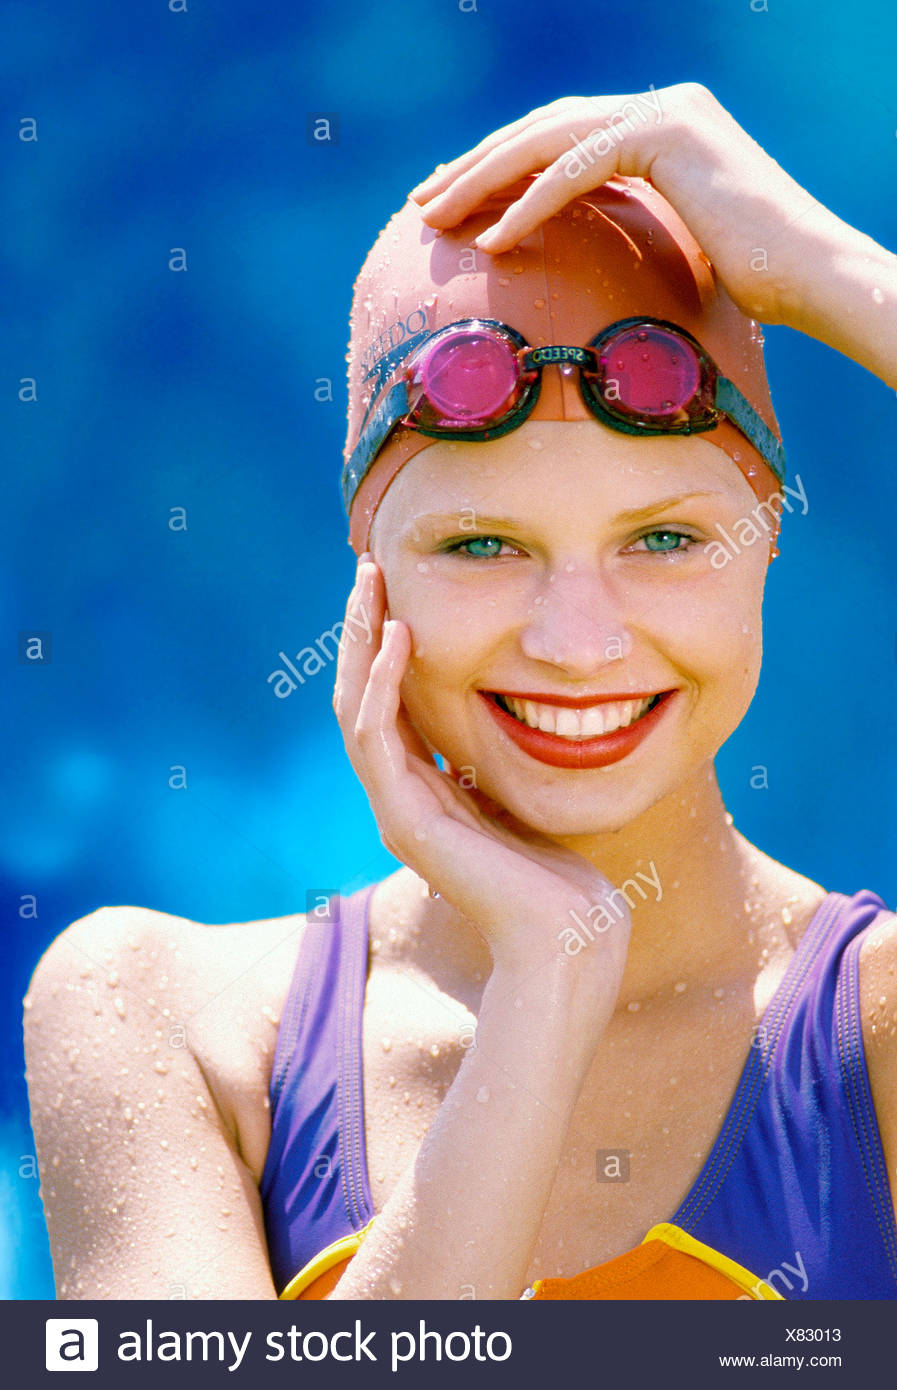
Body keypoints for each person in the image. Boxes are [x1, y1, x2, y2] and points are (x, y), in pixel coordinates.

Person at [24, 83, 897, 1302]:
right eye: (484, 546)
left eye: (665, 539)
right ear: (369, 577)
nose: (581, 645)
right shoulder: (174, 1025)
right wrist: (544, 984)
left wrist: (841, 276)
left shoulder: (871, 1040)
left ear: (768, 540)